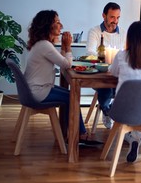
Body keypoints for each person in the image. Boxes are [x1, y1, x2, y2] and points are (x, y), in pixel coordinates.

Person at [25, 10, 92, 144]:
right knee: (72, 96)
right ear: (48, 26)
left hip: (36, 90)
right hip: (39, 92)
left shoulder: (43, 44)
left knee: (71, 94)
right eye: (57, 22)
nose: (61, 25)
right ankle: (79, 134)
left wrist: (63, 47)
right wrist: (68, 46)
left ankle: (71, 132)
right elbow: (67, 64)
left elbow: (61, 62)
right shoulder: (44, 45)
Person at [109, 21, 141, 163]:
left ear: (129, 38)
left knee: (127, 112)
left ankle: (135, 138)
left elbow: (113, 72)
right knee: (137, 109)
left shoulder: (121, 56)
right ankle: (139, 137)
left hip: (123, 110)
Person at [86, 2, 126, 129]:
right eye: (112, 17)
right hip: (101, 74)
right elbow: (90, 52)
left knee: (126, 86)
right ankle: (107, 109)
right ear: (104, 16)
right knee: (106, 86)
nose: (115, 21)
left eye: (118, 17)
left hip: (118, 74)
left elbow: (127, 53)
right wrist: (106, 58)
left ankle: (112, 109)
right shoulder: (94, 31)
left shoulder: (123, 33)